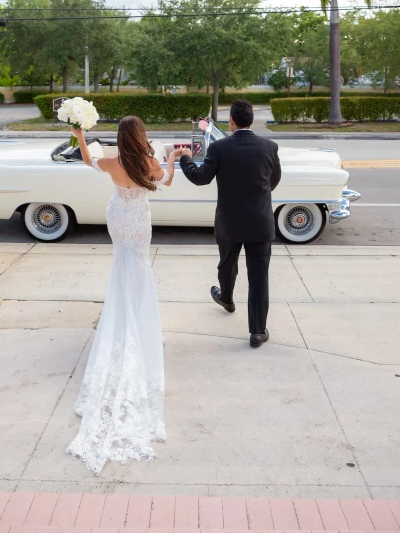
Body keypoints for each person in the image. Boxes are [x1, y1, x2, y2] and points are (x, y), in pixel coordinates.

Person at [67, 115, 176, 474]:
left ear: (119, 136)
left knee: (122, 264)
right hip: (139, 219)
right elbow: (168, 181)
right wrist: (172, 157)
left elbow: (85, 160)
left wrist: (80, 135)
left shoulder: (113, 163)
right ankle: (139, 326)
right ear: (141, 135)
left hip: (118, 216)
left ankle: (120, 319)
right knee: (140, 268)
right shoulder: (150, 162)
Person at [178, 100, 281, 348]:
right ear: (252, 120)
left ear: (231, 122)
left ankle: (226, 298)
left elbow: (200, 178)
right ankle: (257, 332)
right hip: (259, 222)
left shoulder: (219, 147)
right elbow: (273, 180)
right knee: (259, 278)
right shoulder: (269, 146)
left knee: (227, 264)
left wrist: (185, 159)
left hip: (229, 221)